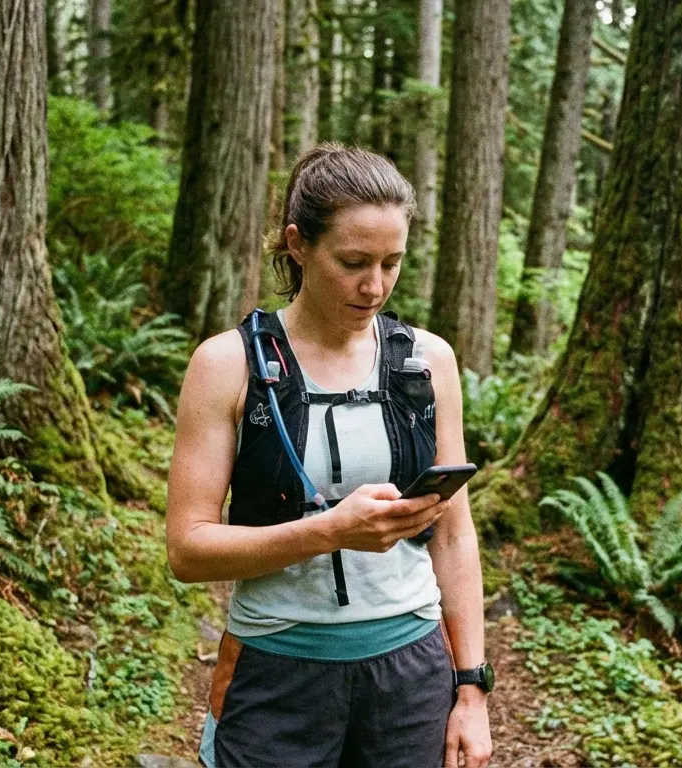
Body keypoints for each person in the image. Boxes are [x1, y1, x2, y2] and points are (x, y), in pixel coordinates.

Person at [165, 143, 494, 768]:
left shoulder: (428, 362)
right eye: (353, 262)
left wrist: (471, 688)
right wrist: (330, 531)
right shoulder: (228, 365)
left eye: (392, 263)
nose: (374, 286)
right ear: (298, 244)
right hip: (276, 671)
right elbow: (187, 550)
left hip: (412, 674)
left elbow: (454, 535)